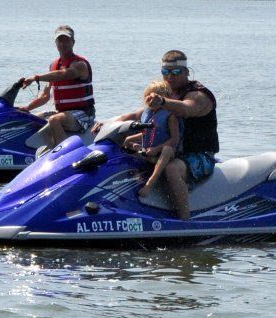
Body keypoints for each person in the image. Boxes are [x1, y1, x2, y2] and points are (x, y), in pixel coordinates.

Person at [92, 50, 218, 220]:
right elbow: (138, 115)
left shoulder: (199, 95)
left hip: (199, 155)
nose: (170, 77)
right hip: (172, 151)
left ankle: (185, 221)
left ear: (187, 72)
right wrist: (108, 122)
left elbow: (187, 108)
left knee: (172, 168)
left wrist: (164, 102)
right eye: (166, 72)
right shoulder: (167, 93)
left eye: (176, 72)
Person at [20, 25, 95, 149]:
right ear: (55, 43)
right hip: (64, 113)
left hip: (84, 113)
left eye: (66, 40)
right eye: (59, 40)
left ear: (73, 42)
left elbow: (65, 74)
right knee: (32, 119)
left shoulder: (79, 64)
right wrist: (27, 108)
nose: (63, 44)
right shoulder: (54, 66)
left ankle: (66, 153)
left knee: (54, 120)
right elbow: (45, 96)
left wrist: (36, 78)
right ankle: (32, 152)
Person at [123, 81, 181, 197]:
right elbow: (146, 133)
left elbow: (175, 139)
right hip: (149, 151)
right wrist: (130, 139)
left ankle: (149, 185)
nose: (150, 101)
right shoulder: (148, 113)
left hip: (166, 154)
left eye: (154, 98)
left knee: (167, 149)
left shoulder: (170, 116)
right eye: (148, 97)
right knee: (126, 142)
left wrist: (156, 149)